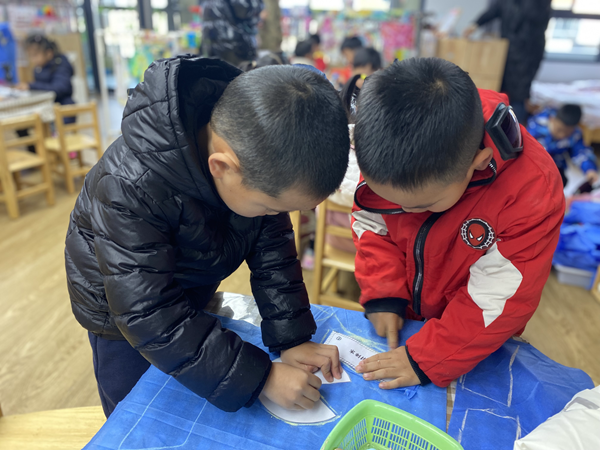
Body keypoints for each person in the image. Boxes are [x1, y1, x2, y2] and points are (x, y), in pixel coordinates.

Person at [65, 56, 350, 417]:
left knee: (192, 375)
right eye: (269, 207)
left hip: (184, 285)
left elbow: (274, 251)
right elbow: (147, 312)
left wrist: (292, 338)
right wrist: (261, 378)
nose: (274, 216)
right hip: (120, 314)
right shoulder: (129, 186)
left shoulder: (258, 163)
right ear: (222, 167)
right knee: (137, 411)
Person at [349, 58, 564, 389]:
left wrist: (428, 357)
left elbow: (498, 300)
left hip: (474, 337)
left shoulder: (533, 190)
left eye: (421, 205)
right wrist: (383, 292)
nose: (401, 210)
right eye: (389, 199)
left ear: (479, 163)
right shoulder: (385, 143)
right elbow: (371, 222)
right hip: (411, 314)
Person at [463, 0, 552, 124]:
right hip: (508, 52)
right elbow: (494, 10)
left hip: (528, 53)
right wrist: (475, 24)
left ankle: (516, 128)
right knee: (501, 92)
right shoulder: (507, 3)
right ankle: (498, 125)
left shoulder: (537, 4)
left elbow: (535, 17)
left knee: (519, 94)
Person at [15, 34, 75, 151]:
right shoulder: (38, 69)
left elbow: (59, 89)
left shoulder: (60, 65)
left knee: (45, 128)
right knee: (21, 124)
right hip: (45, 109)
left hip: (62, 108)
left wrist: (31, 86)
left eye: (35, 55)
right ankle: (37, 154)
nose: (33, 60)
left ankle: (52, 154)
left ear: (49, 53)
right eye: (30, 56)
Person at [527, 104, 598, 187]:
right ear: (552, 119)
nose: (562, 135)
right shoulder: (537, 124)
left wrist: (589, 169)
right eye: (559, 130)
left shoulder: (575, 135)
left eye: (567, 132)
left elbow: (581, 153)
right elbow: (526, 145)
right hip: (533, 162)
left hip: (555, 167)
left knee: (560, 182)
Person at [200, 0, 263, 66]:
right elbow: (243, 9)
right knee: (238, 70)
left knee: (216, 69)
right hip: (234, 44)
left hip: (211, 41)